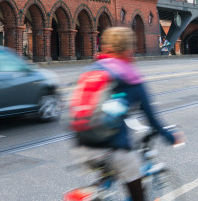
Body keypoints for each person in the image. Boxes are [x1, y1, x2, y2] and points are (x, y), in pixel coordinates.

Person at [75, 27, 183, 201]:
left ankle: (96, 192)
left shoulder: (91, 70)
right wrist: (170, 136)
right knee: (136, 191)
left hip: (83, 144)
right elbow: (152, 119)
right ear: (128, 50)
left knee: (107, 177)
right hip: (113, 147)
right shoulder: (129, 76)